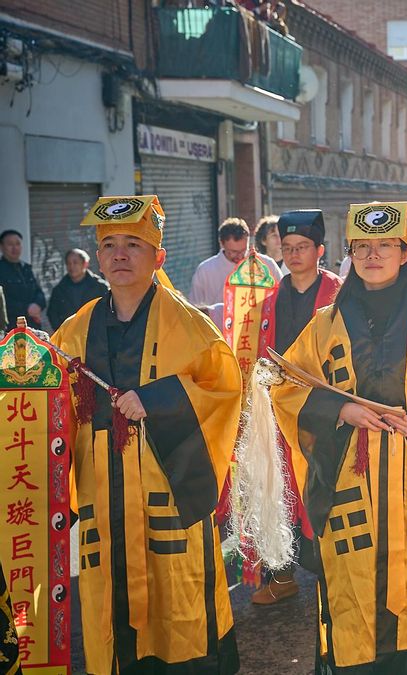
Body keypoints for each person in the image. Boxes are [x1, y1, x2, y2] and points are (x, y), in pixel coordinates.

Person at [55, 195, 242, 672]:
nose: (120, 255)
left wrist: (159, 400)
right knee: (112, 615)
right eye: (109, 245)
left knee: (179, 616)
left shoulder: (190, 326)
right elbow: (49, 402)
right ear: (97, 258)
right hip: (105, 494)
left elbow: (224, 394)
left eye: (134, 244)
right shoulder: (75, 330)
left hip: (167, 490)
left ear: (158, 257)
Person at [271, 201, 407, 672]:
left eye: (385, 246)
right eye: (363, 247)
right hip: (351, 485)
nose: (373, 255)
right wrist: (341, 409)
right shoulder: (325, 324)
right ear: (350, 253)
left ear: (406, 251)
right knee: (354, 601)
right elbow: (285, 386)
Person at [248, 209, 342, 606]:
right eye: (287, 247)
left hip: (324, 411)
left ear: (320, 250)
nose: (294, 254)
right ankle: (281, 573)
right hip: (278, 409)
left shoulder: (341, 294)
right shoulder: (270, 300)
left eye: (302, 247)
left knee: (325, 488)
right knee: (278, 487)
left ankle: (334, 575)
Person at [190, 217, 283, 322]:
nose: (239, 256)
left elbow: (282, 298)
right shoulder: (205, 270)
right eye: (233, 252)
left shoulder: (267, 264)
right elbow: (194, 310)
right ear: (222, 243)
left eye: (243, 251)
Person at [48, 248, 109, 328]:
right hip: (68, 336)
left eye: (75, 263)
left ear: (85, 264)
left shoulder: (100, 287)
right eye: (69, 263)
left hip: (95, 335)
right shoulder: (59, 290)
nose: (71, 266)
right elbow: (52, 314)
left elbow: (109, 311)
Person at [0, 229, 47, 329]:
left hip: (32, 326)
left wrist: (37, 305)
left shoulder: (26, 268)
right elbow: (4, 302)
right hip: (11, 328)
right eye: (10, 244)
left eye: (17, 244)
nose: (15, 248)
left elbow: (39, 293)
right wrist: (27, 309)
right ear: (2, 247)